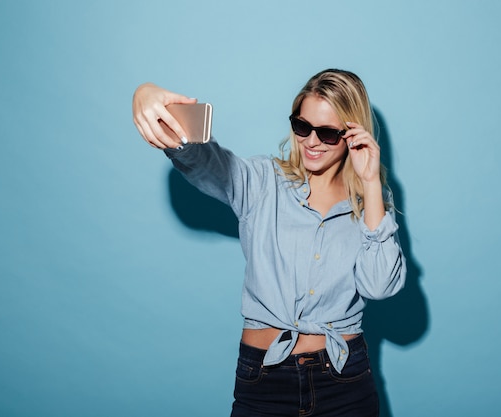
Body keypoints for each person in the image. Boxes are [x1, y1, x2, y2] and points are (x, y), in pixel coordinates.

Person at [132, 69, 406, 417]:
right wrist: (146, 93)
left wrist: (369, 184)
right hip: (264, 379)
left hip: (345, 384)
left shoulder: (369, 209)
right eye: (302, 126)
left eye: (327, 133)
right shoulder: (262, 182)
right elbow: (202, 159)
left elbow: (380, 286)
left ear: (353, 135)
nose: (311, 141)